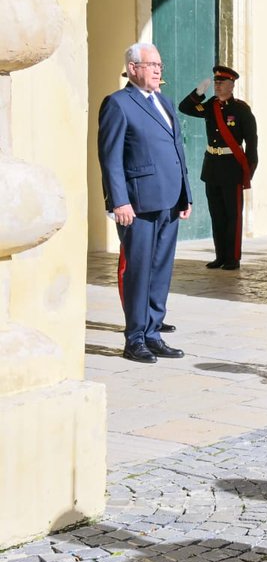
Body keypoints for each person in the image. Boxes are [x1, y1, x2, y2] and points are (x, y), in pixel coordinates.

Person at [97, 42, 192, 364]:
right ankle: (134, 337)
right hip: (138, 205)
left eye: (160, 65)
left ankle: (153, 333)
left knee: (161, 271)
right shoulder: (118, 104)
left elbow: (178, 152)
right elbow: (110, 159)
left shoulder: (164, 102)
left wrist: (185, 195)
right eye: (152, 65)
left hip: (169, 201)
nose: (158, 70)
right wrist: (118, 201)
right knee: (138, 271)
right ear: (133, 67)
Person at [177, 65, 258, 270]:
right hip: (212, 167)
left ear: (231, 85)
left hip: (232, 169)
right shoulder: (210, 106)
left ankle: (233, 257)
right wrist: (198, 93)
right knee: (217, 214)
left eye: (221, 82)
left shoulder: (240, 109)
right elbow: (184, 108)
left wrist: (248, 172)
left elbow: (252, 143)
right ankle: (220, 255)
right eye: (216, 82)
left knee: (233, 216)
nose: (217, 85)